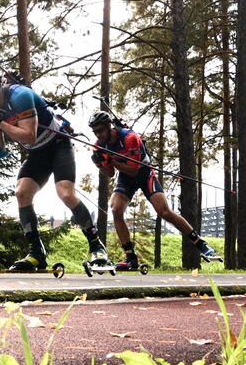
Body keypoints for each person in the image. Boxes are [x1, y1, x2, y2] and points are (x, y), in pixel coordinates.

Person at [0, 63, 107, 271]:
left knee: (66, 193)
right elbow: (0, 150)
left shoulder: (20, 96)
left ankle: (97, 246)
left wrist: (0, 123)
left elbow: (29, 135)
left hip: (58, 144)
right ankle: (36, 253)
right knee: (22, 193)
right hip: (38, 153)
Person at [88, 109, 219, 270]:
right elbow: (110, 173)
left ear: (109, 126)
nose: (98, 135)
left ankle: (200, 244)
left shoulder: (130, 138)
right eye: (95, 132)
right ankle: (131, 258)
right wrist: (100, 163)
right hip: (125, 177)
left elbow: (133, 169)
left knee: (164, 211)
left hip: (143, 173)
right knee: (115, 209)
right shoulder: (99, 145)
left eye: (100, 130)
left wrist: (111, 160)